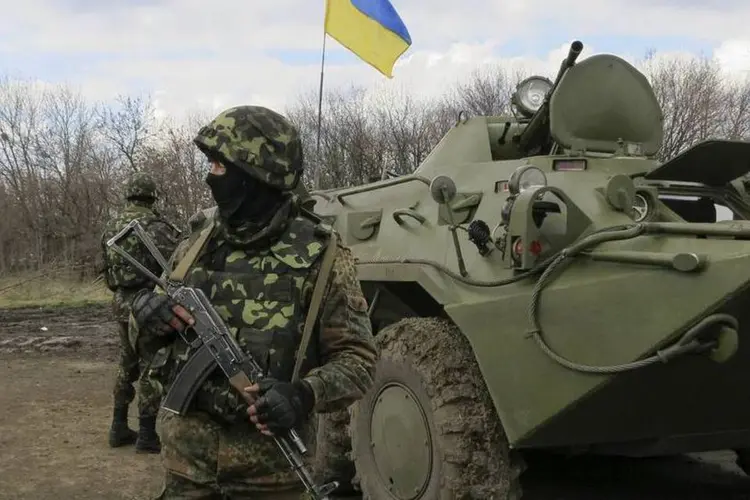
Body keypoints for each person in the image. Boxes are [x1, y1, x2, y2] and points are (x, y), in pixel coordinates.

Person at [128, 105, 379, 499]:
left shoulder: (321, 255)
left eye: (218, 166)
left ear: (254, 175)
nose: (208, 177)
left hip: (273, 478)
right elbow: (146, 339)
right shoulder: (196, 245)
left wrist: (303, 395)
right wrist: (145, 315)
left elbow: (359, 360)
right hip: (186, 470)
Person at [100, 171, 181, 453]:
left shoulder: (111, 225)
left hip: (120, 302)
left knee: (126, 363)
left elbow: (104, 269)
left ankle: (118, 426)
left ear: (129, 195)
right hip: (148, 305)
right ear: (151, 196)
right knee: (152, 366)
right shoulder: (156, 225)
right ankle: (147, 434)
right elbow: (178, 265)